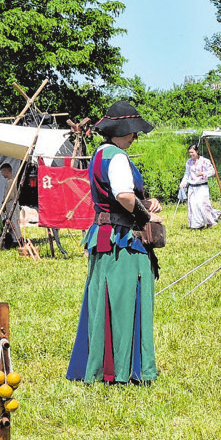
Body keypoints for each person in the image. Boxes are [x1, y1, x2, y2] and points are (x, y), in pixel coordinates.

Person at [68, 101, 163, 384]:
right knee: (122, 302)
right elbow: (123, 195)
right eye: (134, 132)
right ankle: (123, 369)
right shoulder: (118, 157)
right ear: (126, 131)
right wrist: (147, 216)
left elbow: (115, 197)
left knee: (103, 302)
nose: (136, 138)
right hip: (121, 241)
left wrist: (145, 201)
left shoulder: (100, 153)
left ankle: (103, 366)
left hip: (106, 235)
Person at [179, 144, 218, 229]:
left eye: (192, 152)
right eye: (189, 153)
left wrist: (203, 173)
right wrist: (183, 183)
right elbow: (187, 174)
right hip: (192, 186)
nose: (191, 154)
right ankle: (197, 224)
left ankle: (209, 221)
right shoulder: (188, 162)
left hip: (202, 186)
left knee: (203, 205)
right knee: (193, 205)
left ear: (197, 152)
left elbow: (212, 171)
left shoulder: (205, 161)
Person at [0, 162, 23, 244]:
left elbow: (10, 195)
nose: (2, 174)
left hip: (11, 205)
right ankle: (15, 238)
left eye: (2, 172)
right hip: (12, 204)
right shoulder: (13, 180)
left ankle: (17, 239)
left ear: (6, 171)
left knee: (14, 222)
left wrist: (4, 201)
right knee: (13, 222)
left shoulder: (10, 182)